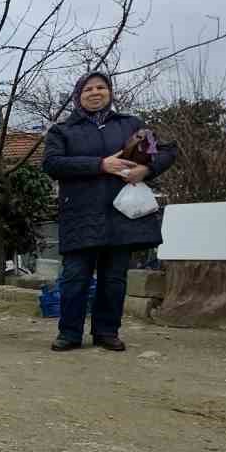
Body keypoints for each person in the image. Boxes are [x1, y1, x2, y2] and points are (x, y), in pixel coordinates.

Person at [41, 71, 177, 352]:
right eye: (88, 89)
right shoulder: (63, 131)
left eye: (101, 87)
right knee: (75, 277)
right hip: (80, 215)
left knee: (114, 279)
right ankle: (69, 333)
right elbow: (52, 164)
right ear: (79, 95)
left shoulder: (131, 126)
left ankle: (106, 332)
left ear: (110, 92)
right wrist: (100, 165)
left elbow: (165, 152)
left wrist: (146, 169)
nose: (95, 92)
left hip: (121, 215)